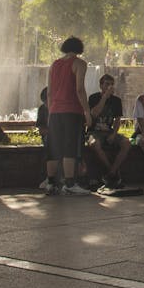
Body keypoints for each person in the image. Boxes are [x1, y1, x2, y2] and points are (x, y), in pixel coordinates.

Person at [45, 36, 92, 195]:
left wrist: (51, 111)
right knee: (69, 147)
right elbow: (79, 89)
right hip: (72, 110)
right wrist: (87, 111)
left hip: (55, 110)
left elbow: (50, 92)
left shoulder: (54, 64)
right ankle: (70, 184)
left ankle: (51, 183)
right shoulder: (79, 64)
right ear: (79, 48)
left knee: (53, 147)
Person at [85, 73, 133, 189]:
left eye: (112, 84)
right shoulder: (93, 97)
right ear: (101, 85)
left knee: (126, 143)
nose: (109, 87)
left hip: (109, 131)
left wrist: (114, 134)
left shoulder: (116, 100)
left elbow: (117, 120)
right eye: (107, 84)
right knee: (94, 143)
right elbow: (94, 114)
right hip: (93, 132)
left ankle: (111, 173)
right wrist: (104, 97)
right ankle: (112, 171)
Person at [36, 87, 54, 191]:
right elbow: (41, 130)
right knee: (49, 143)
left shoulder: (60, 109)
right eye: (46, 102)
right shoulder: (42, 109)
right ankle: (49, 178)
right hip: (49, 137)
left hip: (60, 137)